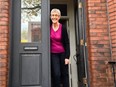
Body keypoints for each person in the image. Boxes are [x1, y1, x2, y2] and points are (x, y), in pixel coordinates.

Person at [50, 8, 70, 87]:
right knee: (56, 74)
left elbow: (67, 42)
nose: (54, 17)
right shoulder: (48, 27)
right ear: (50, 16)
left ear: (59, 17)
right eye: (52, 15)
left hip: (62, 53)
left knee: (64, 74)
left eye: (56, 15)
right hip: (53, 54)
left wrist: (67, 57)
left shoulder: (63, 28)